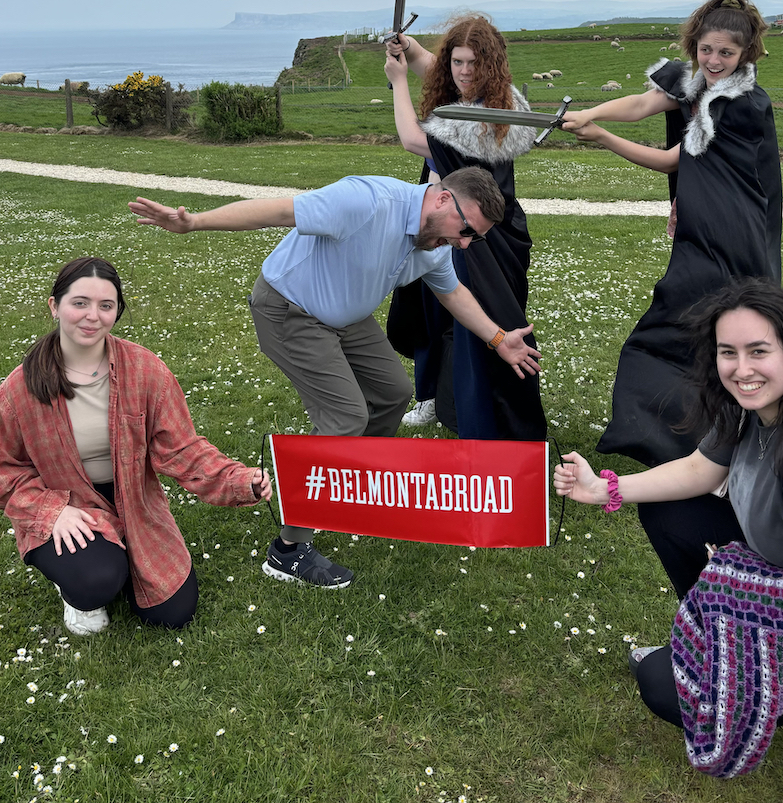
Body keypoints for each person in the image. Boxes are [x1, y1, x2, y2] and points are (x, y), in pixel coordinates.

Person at [128, 168, 541, 588]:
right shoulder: (365, 202)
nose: (465, 243)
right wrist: (194, 222)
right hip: (290, 309)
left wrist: (498, 338)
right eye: (466, 229)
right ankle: (287, 552)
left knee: (394, 393)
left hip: (346, 317)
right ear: (441, 200)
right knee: (344, 417)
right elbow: (277, 212)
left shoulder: (434, 244)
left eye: (477, 237)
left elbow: (451, 292)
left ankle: (347, 493)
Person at [554, 278, 783, 783]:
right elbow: (699, 471)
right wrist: (603, 490)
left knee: (663, 683)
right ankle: (718, 637)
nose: (741, 369)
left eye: (758, 351)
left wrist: (730, 595)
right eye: (728, 352)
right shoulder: (750, 406)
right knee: (671, 515)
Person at [559, 0, 781, 586]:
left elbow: (676, 162)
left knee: (688, 332)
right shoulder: (692, 81)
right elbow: (642, 102)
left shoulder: (745, 106)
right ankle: (703, 450)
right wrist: (596, 115)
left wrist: (603, 140)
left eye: (727, 52)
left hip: (727, 240)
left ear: (747, 51)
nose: (714, 61)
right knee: (693, 335)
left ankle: (712, 451)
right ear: (694, 44)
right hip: (700, 235)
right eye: (707, 49)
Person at [0, 257, 272, 636]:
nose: (92, 316)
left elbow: (181, 449)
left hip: (134, 499)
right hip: (66, 504)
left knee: (172, 613)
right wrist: (50, 512)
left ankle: (116, 555)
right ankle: (77, 587)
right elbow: (2, 469)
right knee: (97, 580)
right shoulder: (20, 388)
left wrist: (240, 480)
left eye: (105, 306)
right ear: (54, 306)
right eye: (79, 303)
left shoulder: (145, 370)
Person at [384, 15, 546, 441]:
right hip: (445, 215)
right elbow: (432, 63)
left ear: (491, 66)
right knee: (430, 308)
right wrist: (408, 47)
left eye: (474, 63)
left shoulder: (489, 114)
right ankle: (436, 396)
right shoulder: (471, 94)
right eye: (457, 61)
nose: (464, 72)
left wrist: (398, 80)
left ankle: (480, 413)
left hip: (485, 232)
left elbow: (411, 139)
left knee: (478, 321)